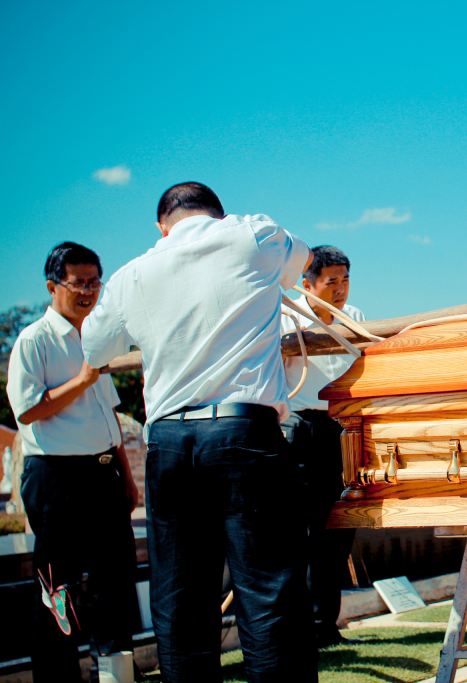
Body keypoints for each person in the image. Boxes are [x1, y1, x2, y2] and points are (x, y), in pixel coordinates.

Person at [82, 182, 316, 683]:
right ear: (217, 213)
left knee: (179, 601)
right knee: (269, 595)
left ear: (161, 226)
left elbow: (94, 349)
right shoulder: (253, 234)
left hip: (168, 440)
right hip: (243, 432)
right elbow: (304, 260)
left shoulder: (131, 274)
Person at [7, 242, 140, 682]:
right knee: (57, 587)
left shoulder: (96, 339)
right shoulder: (34, 340)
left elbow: (108, 414)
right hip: (56, 477)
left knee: (113, 578)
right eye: (78, 283)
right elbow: (27, 410)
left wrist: (124, 472)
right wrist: (82, 379)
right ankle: (58, 677)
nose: (88, 292)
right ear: (53, 287)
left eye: (94, 282)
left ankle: (115, 671)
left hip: (103, 473)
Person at [281, 245, 365, 647]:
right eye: (331, 281)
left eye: (345, 280)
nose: (341, 289)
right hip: (302, 430)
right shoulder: (287, 317)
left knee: (337, 531)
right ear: (307, 283)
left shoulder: (356, 318)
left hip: (344, 429)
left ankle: (325, 626)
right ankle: (296, 629)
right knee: (297, 534)